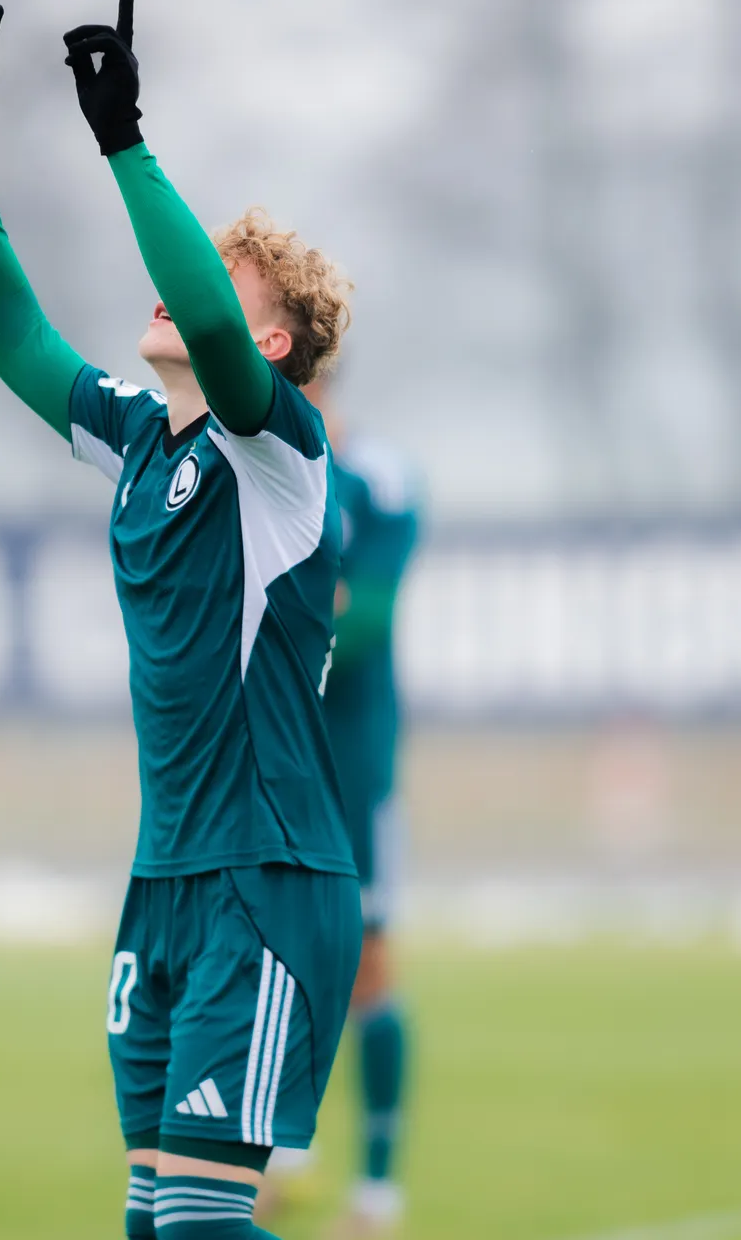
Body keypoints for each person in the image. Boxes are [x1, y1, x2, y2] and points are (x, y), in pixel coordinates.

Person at [0, 0, 362, 1240]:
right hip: (166, 879)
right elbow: (10, 328)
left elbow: (207, 321)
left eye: (220, 275)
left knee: (205, 1227)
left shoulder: (278, 454)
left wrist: (124, 141)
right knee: (158, 1225)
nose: (178, 287)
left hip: (267, 877)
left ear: (272, 339)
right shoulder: (133, 434)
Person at [261, 379, 422, 1236]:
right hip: (273, 751)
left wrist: (275, 620)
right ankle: (282, 1158)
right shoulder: (250, 469)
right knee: (269, 948)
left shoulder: (377, 481)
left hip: (354, 758)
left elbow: (368, 618)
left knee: (368, 961)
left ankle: (376, 1194)